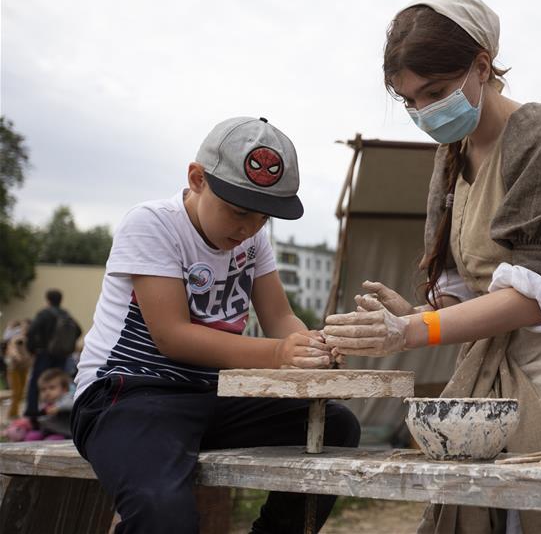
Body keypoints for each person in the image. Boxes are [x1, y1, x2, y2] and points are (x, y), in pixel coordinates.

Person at [323, 0, 541, 534]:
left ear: (482, 65)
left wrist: (408, 330)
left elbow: (529, 299)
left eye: (433, 92)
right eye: (409, 100)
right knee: (491, 515)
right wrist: (412, 311)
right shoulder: (451, 157)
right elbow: (470, 293)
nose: (423, 111)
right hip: (498, 368)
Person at [71, 117, 360, 534]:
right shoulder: (153, 224)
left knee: (337, 426)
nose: (248, 228)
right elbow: (173, 337)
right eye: (239, 211)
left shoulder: (252, 240)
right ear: (197, 178)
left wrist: (313, 347)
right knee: (162, 511)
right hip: (128, 395)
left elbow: (279, 317)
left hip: (209, 394)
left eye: (263, 218)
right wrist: (280, 354)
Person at [24, 289, 81, 421]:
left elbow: (31, 331)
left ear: (48, 300)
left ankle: (33, 413)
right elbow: (78, 330)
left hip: (44, 353)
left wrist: (32, 349)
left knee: (38, 382)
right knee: (59, 383)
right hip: (61, 355)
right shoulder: (66, 314)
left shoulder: (44, 314)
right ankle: (58, 411)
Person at [22, 368, 74, 441]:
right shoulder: (44, 403)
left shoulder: (66, 398)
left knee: (50, 440)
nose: (47, 392)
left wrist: (58, 408)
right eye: (43, 389)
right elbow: (41, 418)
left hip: (65, 434)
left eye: (52, 388)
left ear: (64, 389)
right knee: (31, 437)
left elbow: (72, 404)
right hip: (48, 431)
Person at [4, 319, 32, 419]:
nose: (25, 329)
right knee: (16, 391)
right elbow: (12, 349)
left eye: (27, 327)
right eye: (24, 327)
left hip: (24, 368)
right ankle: (11, 414)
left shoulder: (31, 339)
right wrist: (16, 356)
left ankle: (14, 413)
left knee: (20, 392)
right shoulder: (17, 338)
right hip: (14, 368)